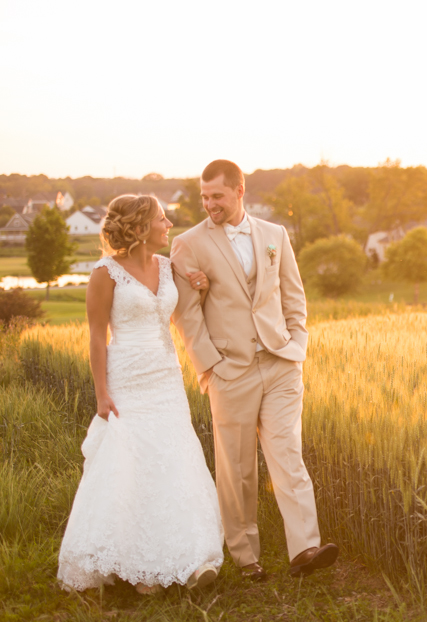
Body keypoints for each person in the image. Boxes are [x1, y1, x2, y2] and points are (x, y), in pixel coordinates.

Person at [170, 160, 338, 581]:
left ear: (240, 191)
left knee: (289, 456)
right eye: (204, 197)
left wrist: (296, 346)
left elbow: (293, 296)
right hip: (231, 371)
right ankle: (246, 557)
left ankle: (305, 549)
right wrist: (212, 367)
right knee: (238, 469)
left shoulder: (274, 235)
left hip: (281, 365)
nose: (209, 204)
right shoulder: (187, 244)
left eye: (217, 196)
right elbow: (187, 316)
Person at [58, 195, 223, 595]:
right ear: (139, 227)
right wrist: (101, 392)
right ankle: (132, 560)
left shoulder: (168, 267)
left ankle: (189, 557)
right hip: (126, 378)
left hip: (166, 377)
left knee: (173, 458)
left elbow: (185, 310)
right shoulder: (105, 273)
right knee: (129, 463)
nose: (169, 225)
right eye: (162, 219)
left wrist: (200, 285)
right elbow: (97, 337)